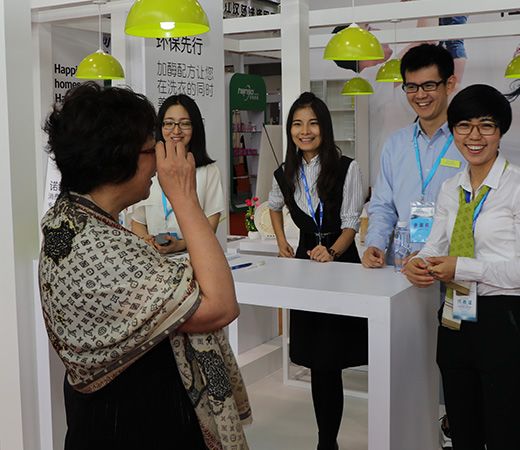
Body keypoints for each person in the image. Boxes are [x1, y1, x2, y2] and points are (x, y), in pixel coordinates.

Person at [39, 82, 251, 450]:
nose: (159, 161)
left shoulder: (68, 220)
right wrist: (183, 196)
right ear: (118, 159)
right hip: (133, 422)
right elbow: (221, 305)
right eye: (152, 149)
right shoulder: (100, 250)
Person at [404, 84, 520, 449]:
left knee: (505, 431)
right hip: (455, 315)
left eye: (486, 125)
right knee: (462, 427)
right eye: (464, 126)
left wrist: (463, 268)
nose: (474, 136)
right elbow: (434, 245)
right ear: (453, 131)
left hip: (504, 319)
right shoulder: (450, 188)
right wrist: (417, 263)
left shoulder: (516, 186)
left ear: (500, 131)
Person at [268, 92, 366, 450]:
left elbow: (351, 222)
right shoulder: (285, 172)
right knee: (317, 360)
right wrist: (282, 241)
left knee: (332, 357)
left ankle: (328, 440)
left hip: (340, 261)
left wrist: (333, 251)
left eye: (312, 123)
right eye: (297, 124)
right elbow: (273, 206)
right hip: (305, 263)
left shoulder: (347, 167)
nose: (305, 131)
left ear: (324, 127)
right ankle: (327, 440)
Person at [362, 43, 465, 269]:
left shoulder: (467, 143)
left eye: (429, 85)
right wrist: (375, 244)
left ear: (449, 84)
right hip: (400, 267)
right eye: (411, 87)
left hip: (448, 267)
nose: (420, 95)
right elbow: (383, 205)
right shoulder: (395, 144)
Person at [131, 94, 224, 254]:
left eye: (185, 123)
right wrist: (147, 241)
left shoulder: (209, 171)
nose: (176, 130)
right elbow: (137, 221)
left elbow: (211, 224)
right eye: (169, 123)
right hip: (153, 258)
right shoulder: (149, 167)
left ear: (195, 127)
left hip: (194, 256)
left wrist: (180, 245)